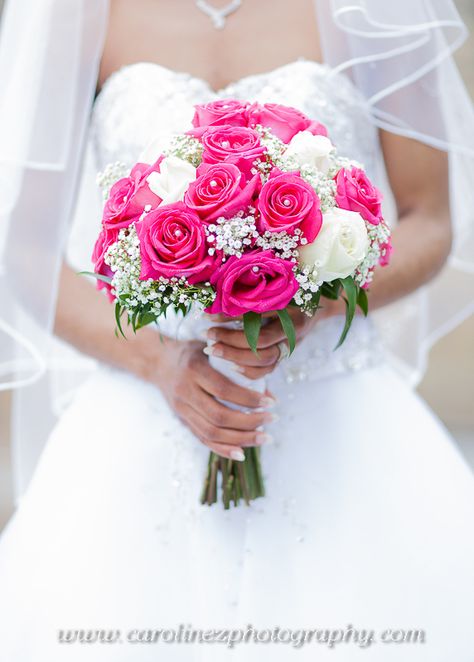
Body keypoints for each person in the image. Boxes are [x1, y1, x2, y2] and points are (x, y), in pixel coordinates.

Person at [0, 1, 473, 660]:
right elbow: (23, 250)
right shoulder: (80, 11)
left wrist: (319, 299)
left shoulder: (372, 8)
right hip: (142, 416)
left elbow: (430, 219)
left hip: (334, 412)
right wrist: (161, 363)